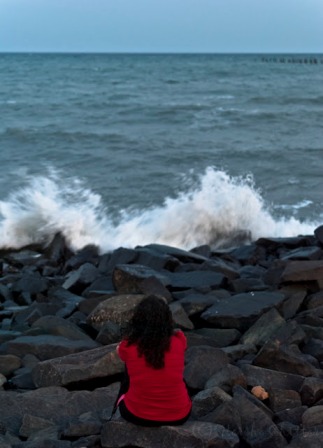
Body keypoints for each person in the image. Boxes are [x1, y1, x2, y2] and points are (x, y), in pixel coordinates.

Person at [115, 295, 192, 426]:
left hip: (138, 415)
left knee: (129, 369)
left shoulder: (128, 346)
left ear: (137, 320)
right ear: (167, 319)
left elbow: (120, 353)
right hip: (179, 415)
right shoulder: (179, 341)